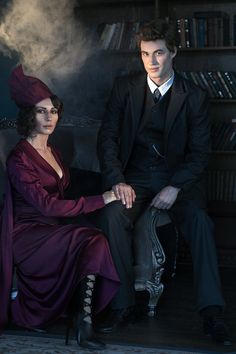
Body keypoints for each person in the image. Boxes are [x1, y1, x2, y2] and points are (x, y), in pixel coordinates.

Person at [96, 20, 231, 345]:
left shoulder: (194, 95)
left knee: (200, 222)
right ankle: (124, 305)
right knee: (112, 215)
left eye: (158, 53)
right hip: (136, 179)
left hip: (177, 181)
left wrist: (175, 187)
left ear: (174, 53)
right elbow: (108, 140)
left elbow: (200, 153)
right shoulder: (123, 88)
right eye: (145, 54)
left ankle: (211, 313)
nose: (152, 62)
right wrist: (117, 181)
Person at [0, 65, 120, 350]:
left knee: (94, 238)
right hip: (27, 236)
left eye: (53, 110)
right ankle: (83, 323)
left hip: (50, 231)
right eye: (41, 111)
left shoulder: (53, 150)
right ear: (29, 115)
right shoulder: (19, 159)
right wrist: (101, 199)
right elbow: (48, 205)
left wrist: (116, 184)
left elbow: (69, 184)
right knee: (91, 238)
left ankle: (83, 320)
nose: (49, 117)